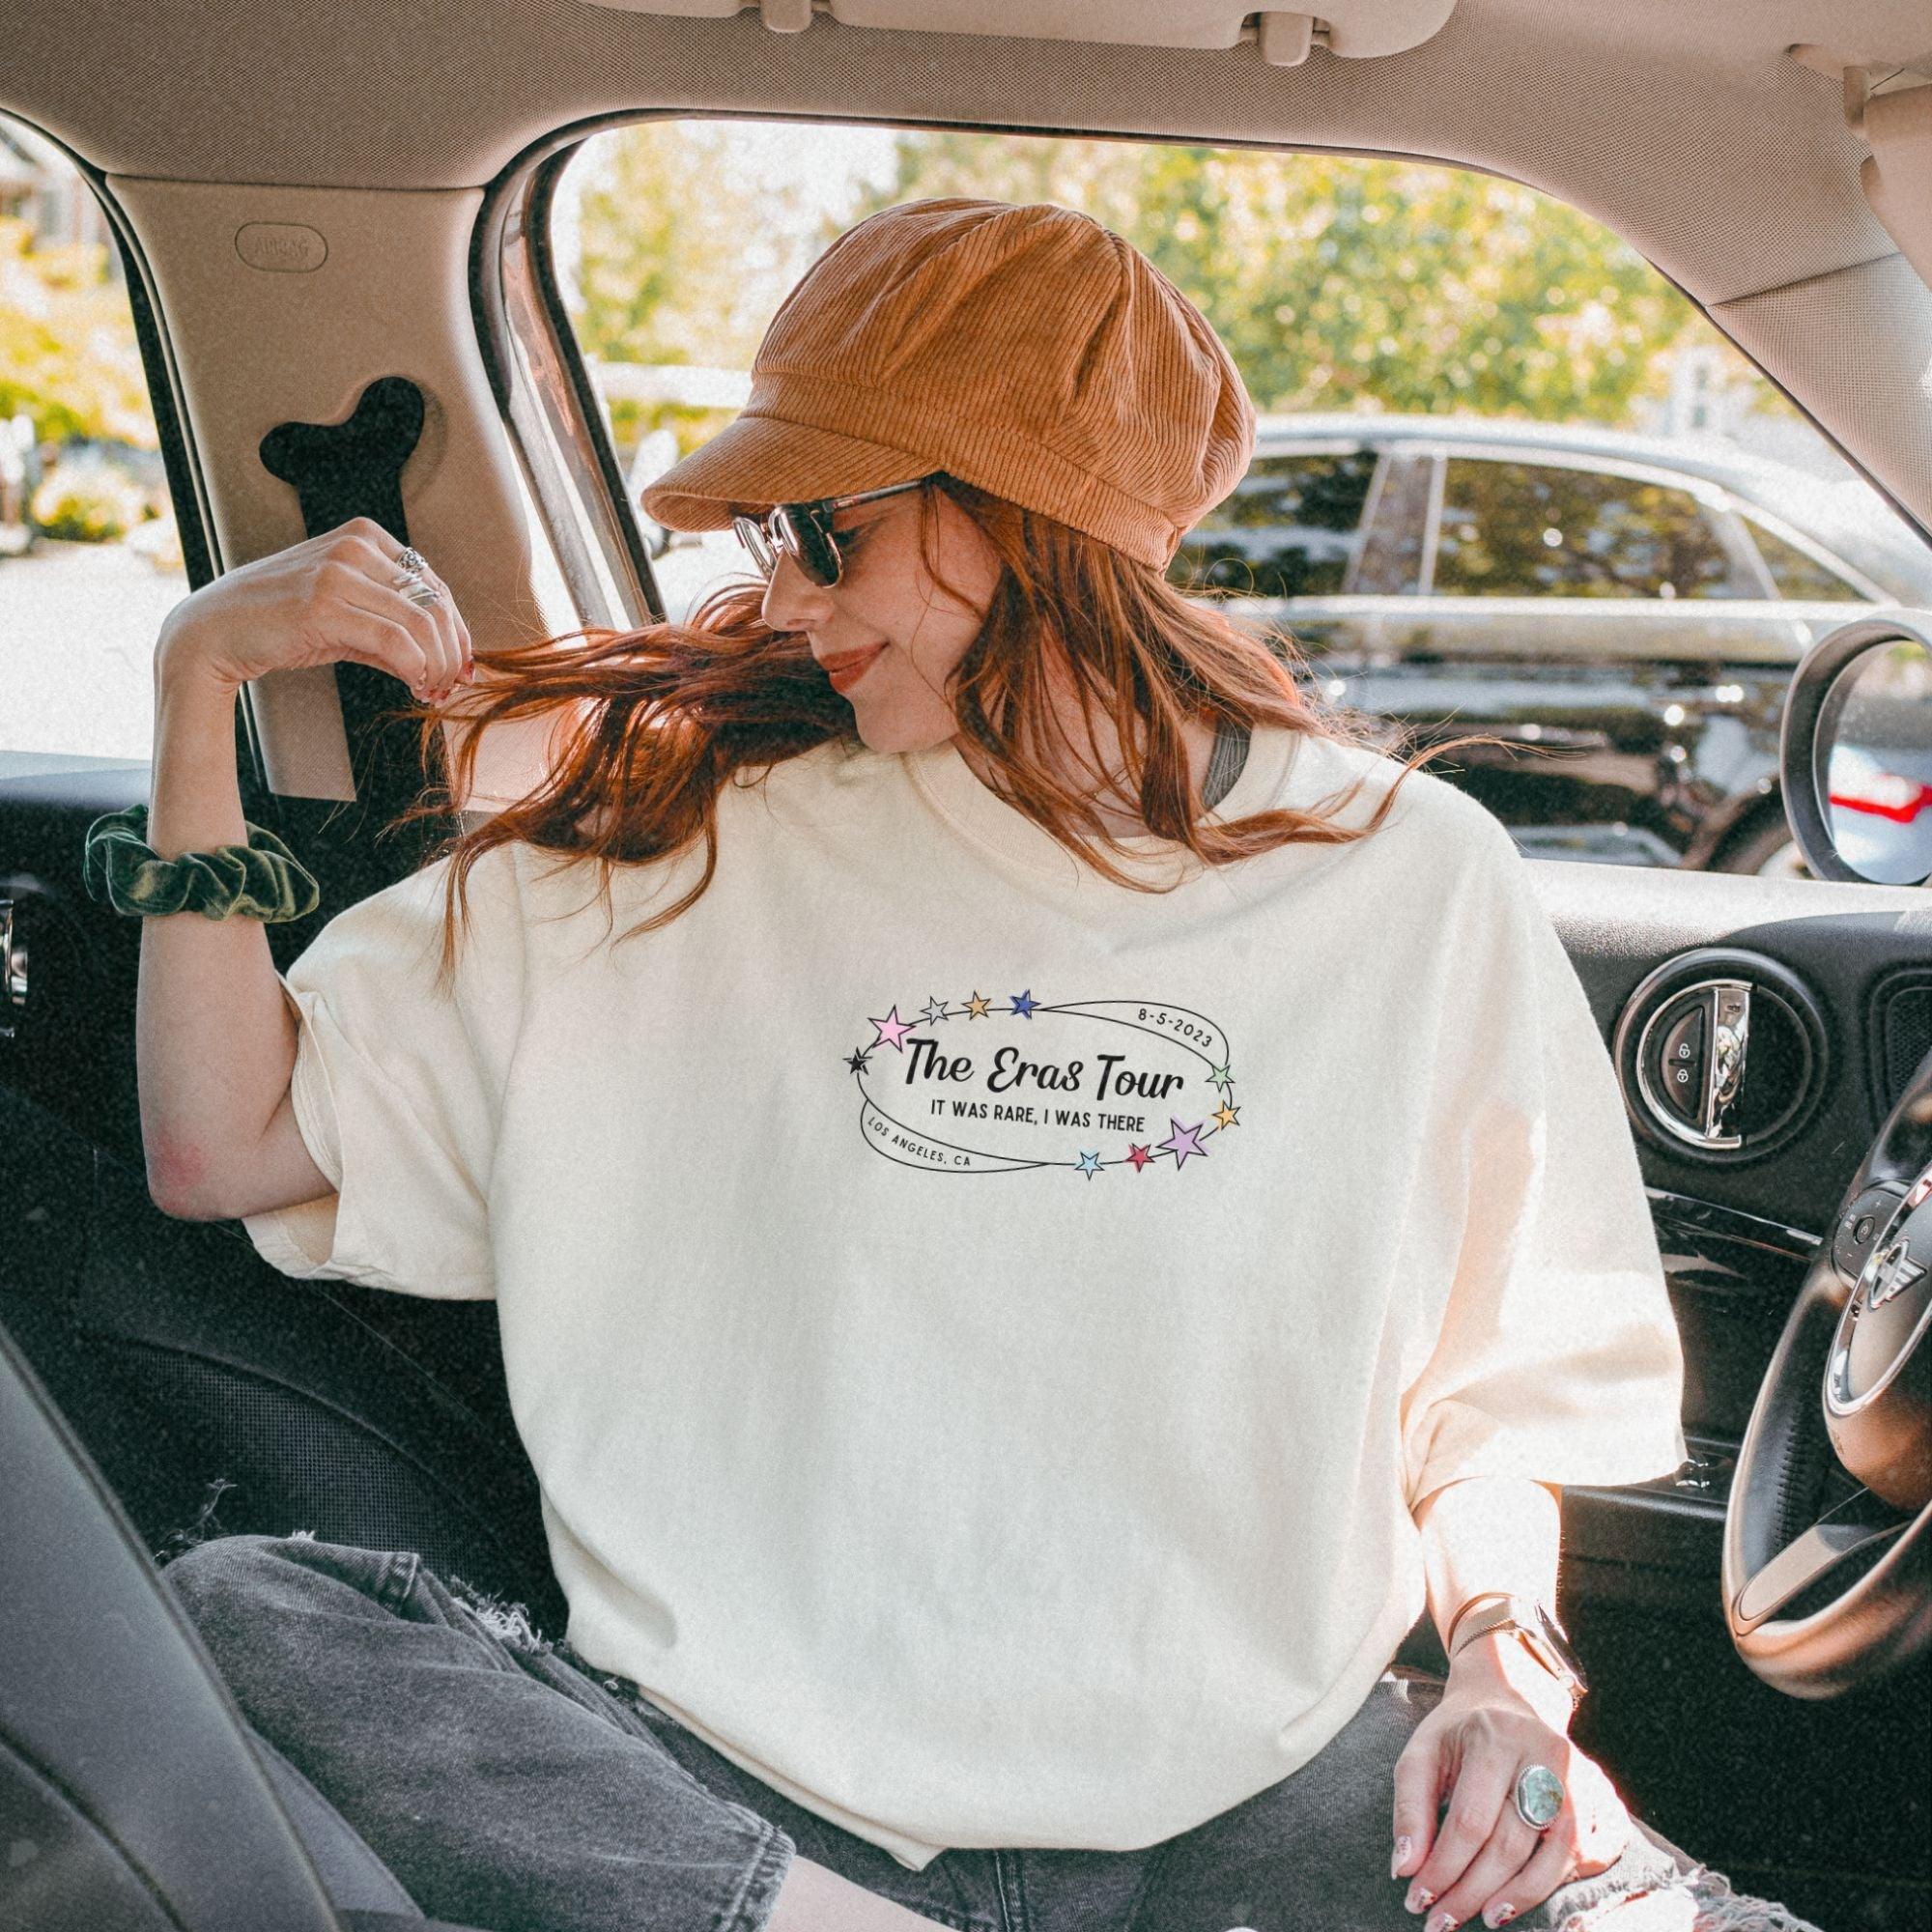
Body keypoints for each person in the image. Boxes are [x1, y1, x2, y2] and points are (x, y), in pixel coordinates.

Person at [128, 197, 1823, 1932]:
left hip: (1258, 1810)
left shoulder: (1409, 878)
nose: (779, 597)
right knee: (240, 1621)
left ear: (1019, 517)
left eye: (820, 532)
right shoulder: (674, 854)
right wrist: (200, 684)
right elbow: (222, 1142)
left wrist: (1504, 1679)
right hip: (740, 1804)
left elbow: (1494, 1399)